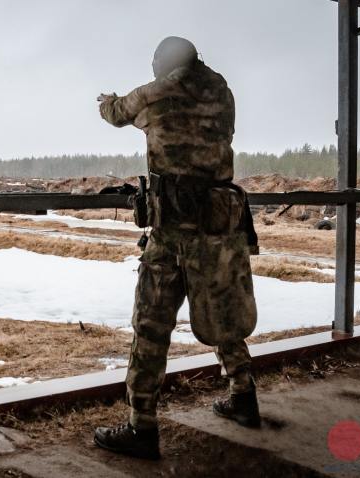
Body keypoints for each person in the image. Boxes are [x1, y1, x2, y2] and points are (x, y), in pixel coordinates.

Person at [93, 36, 261, 460]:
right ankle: (243, 396)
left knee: (151, 326)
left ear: (165, 64)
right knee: (221, 311)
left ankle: (141, 426)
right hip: (220, 228)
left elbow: (116, 113)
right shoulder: (222, 90)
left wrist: (106, 99)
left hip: (173, 234)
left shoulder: (159, 91)